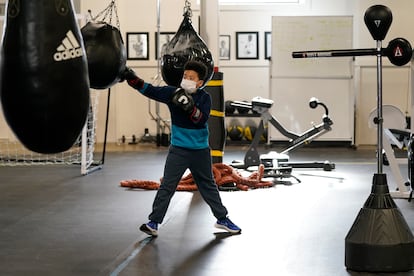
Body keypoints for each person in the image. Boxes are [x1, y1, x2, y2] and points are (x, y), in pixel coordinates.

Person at [121, 60, 241, 237]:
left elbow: (200, 119)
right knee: (167, 186)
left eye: (191, 78)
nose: (187, 79)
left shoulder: (205, 97)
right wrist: (131, 78)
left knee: (208, 186)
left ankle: (222, 218)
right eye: (185, 76)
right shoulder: (173, 93)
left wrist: (189, 106)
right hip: (179, 150)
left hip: (200, 151)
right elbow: (149, 90)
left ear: (200, 82)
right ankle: (153, 222)